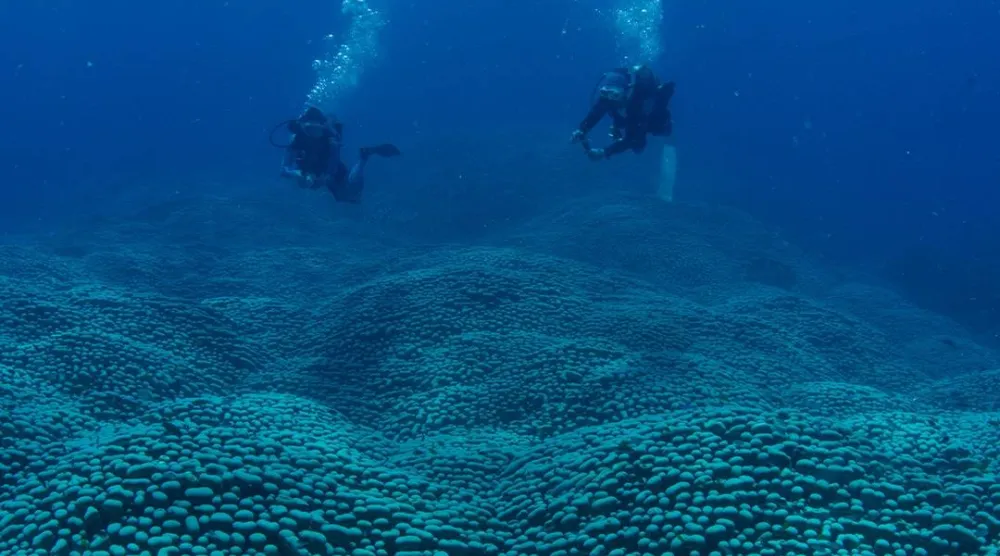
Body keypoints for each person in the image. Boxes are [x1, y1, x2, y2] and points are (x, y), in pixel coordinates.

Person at [275, 105, 400, 203]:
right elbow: (284, 169)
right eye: (309, 129)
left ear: (322, 126)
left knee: (350, 196)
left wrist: (325, 178)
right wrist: (296, 174)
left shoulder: (330, 138)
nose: (313, 134)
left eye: (316, 129)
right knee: (304, 185)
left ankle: (363, 157)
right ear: (302, 127)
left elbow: (334, 162)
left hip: (328, 169)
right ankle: (362, 158)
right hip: (310, 171)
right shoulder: (296, 141)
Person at [570, 65, 675, 161]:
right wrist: (582, 130)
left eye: (615, 95)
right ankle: (619, 126)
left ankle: (666, 129)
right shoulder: (608, 98)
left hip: (645, 118)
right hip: (628, 115)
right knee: (624, 128)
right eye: (605, 93)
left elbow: (632, 139)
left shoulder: (638, 104)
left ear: (626, 93)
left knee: (639, 145)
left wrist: (604, 152)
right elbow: (596, 113)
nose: (610, 99)